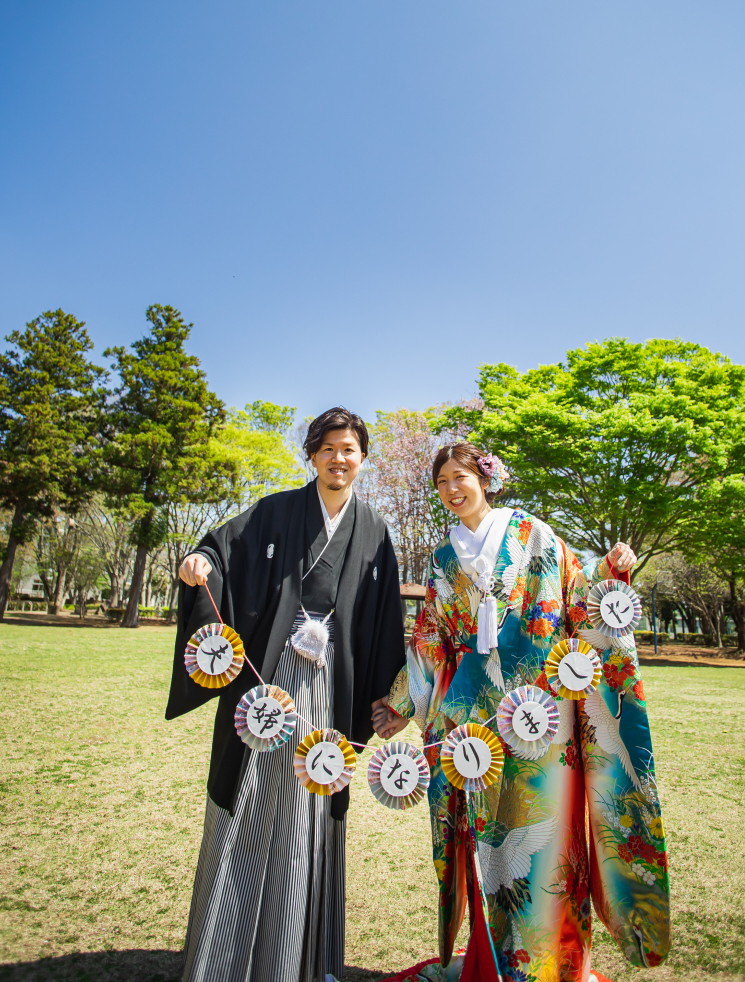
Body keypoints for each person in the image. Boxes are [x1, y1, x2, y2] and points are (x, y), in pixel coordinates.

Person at [372, 443, 670, 982]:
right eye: (441, 482)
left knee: (546, 834)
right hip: (470, 721)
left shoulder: (534, 535)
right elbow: (430, 637)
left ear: (487, 479)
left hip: (541, 715)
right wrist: (400, 704)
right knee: (486, 839)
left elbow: (578, 596)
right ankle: (490, 965)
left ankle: (553, 966)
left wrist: (612, 571)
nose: (451, 490)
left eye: (460, 477)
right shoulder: (443, 559)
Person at [166, 407, 406, 982]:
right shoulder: (275, 511)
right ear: (312, 454)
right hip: (265, 686)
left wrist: (388, 698)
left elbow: (385, 620)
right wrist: (202, 562)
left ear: (362, 459)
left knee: (311, 807)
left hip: (330, 690)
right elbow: (222, 551)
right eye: (327, 448)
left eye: (349, 449)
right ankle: (221, 960)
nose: (338, 458)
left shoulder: (373, 529)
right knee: (246, 802)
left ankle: (298, 960)